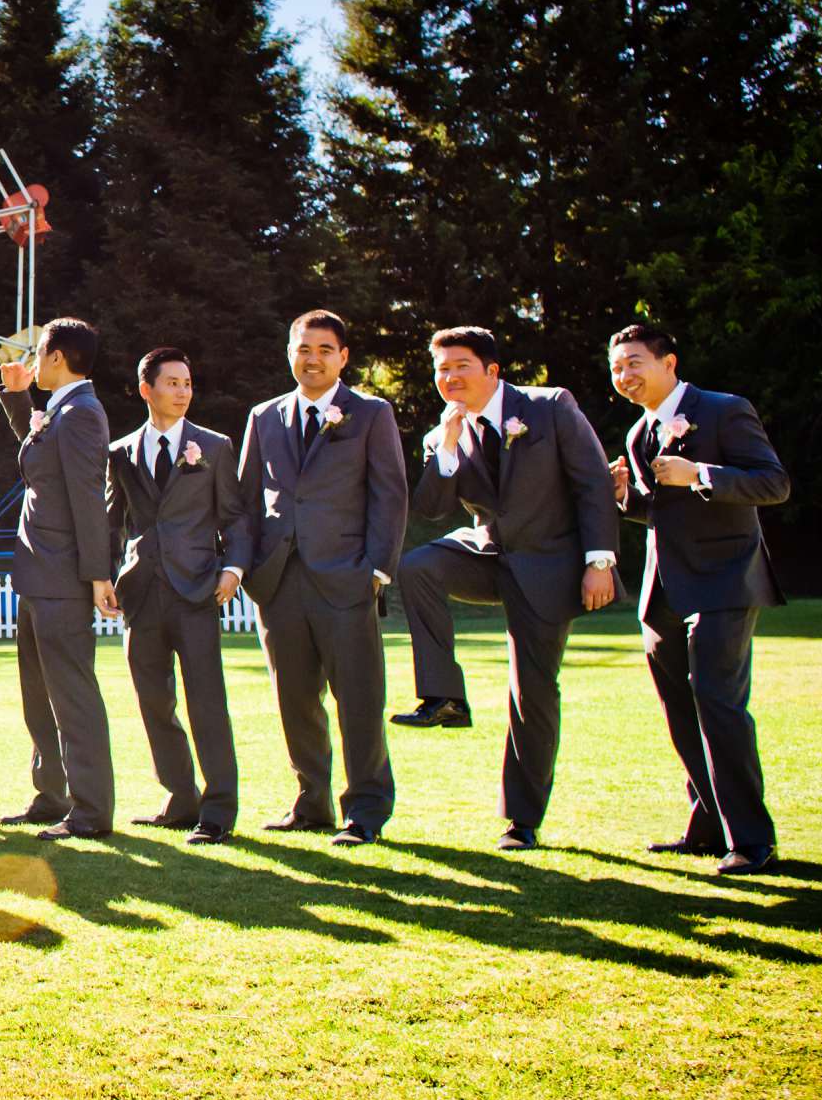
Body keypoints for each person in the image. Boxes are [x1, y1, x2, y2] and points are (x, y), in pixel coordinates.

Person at [394, 327, 618, 850]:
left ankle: (522, 819)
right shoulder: (442, 434)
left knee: (531, 691)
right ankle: (444, 697)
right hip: (490, 555)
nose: (449, 377)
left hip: (550, 563)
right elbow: (428, 508)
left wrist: (599, 561)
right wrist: (445, 447)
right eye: (441, 369)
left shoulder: (550, 406)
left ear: (492, 371)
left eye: (461, 366)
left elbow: (591, 482)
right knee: (419, 566)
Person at [608, 322, 790, 875]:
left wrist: (701, 473)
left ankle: (753, 840)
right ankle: (708, 829)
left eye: (634, 362)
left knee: (718, 704)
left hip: (726, 580)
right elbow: (659, 510)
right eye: (617, 368)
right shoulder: (639, 436)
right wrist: (624, 498)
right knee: (680, 711)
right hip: (663, 592)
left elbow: (773, 483)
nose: (624, 376)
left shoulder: (724, 409)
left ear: (669, 362)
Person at [236, 310, 408, 846]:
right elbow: (244, 501)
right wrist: (246, 569)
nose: (313, 359)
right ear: (290, 352)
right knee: (295, 699)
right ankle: (311, 803)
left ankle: (366, 810)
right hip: (279, 582)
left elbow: (390, 494)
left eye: (324, 350)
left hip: (346, 579)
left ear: (343, 357)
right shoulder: (264, 416)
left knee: (358, 698)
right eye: (303, 349)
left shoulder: (371, 413)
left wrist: (376, 570)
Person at [101, 347, 252, 844]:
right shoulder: (120, 451)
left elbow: (234, 517)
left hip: (197, 591)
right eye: (173, 383)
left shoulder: (214, 446)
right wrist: (103, 575)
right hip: (141, 593)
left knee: (207, 702)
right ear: (147, 389)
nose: (183, 391)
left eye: (188, 383)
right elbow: (112, 520)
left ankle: (218, 811)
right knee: (153, 702)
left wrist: (232, 569)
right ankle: (179, 799)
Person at [0, 317, 117, 840]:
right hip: (36, 573)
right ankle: (52, 794)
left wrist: (96, 575)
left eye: (38, 354)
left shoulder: (83, 414)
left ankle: (90, 811)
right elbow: (39, 458)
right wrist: (20, 401)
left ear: (58, 357)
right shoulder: (61, 411)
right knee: (37, 693)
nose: (32, 362)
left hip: (63, 577)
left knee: (72, 694)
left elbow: (91, 500)